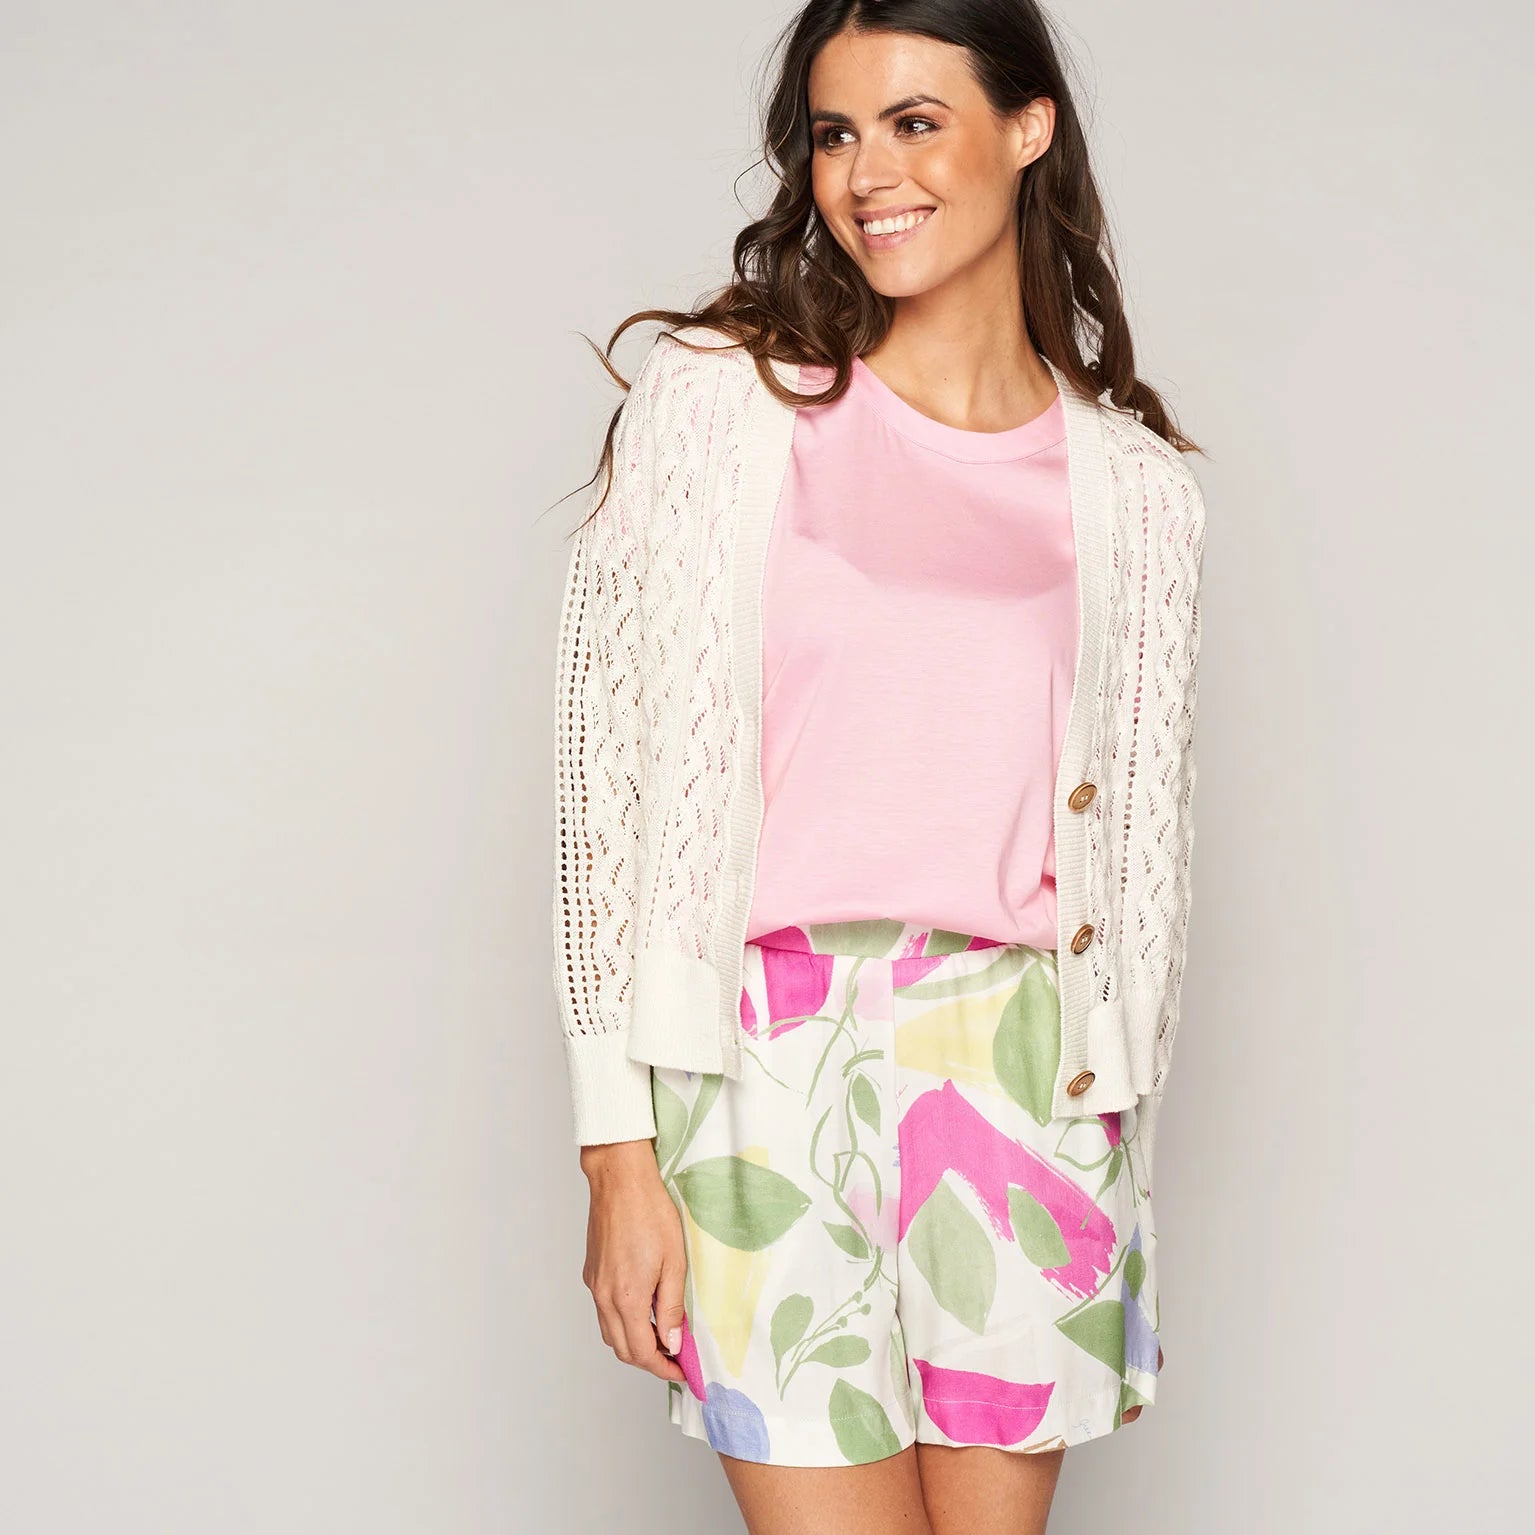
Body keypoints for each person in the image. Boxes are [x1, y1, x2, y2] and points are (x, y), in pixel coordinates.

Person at [549, 3, 1207, 1530]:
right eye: (836, 134)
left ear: (1027, 127)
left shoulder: (1138, 491)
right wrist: (617, 1152)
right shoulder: (720, 406)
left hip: (1032, 1068)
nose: (867, 174)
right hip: (763, 1062)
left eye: (917, 122)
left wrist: (1115, 1125)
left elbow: (1144, 857)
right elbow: (605, 788)